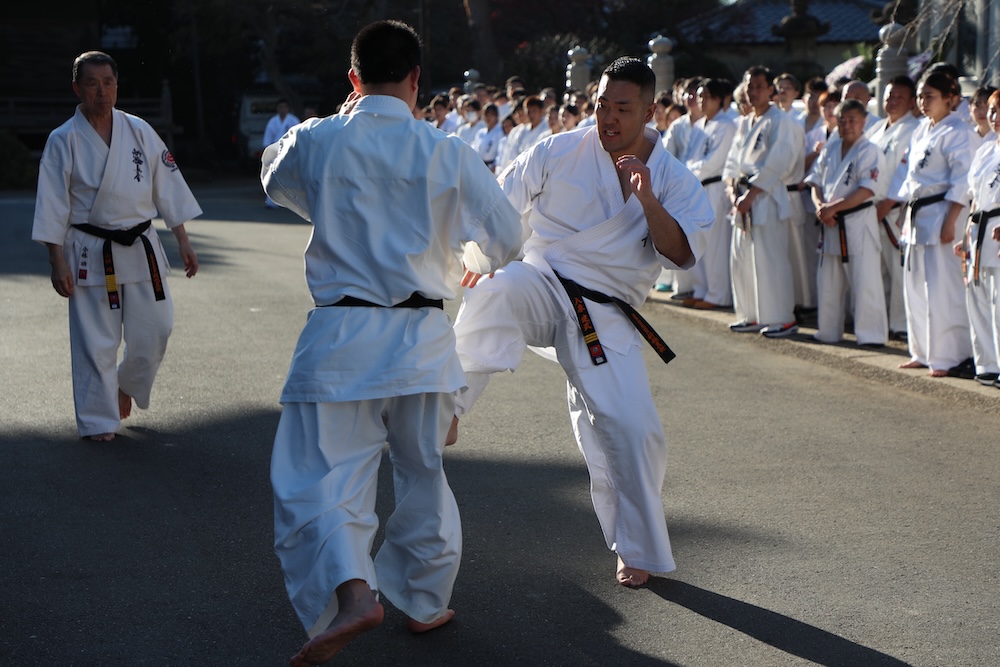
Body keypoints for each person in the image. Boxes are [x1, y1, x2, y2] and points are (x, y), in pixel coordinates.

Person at [261, 21, 521, 666]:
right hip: (422, 338)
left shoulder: (316, 139)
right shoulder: (448, 150)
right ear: (416, 80)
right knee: (422, 472)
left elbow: (275, 181)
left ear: (353, 78)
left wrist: (337, 146)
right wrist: (470, 252)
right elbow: (508, 241)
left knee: (320, 478)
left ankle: (355, 593)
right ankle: (427, 602)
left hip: (341, 335)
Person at [448, 57, 715, 588]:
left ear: (650, 110)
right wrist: (479, 260)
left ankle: (634, 546)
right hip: (545, 284)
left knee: (630, 429)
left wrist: (646, 198)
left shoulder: (671, 176)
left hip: (608, 312)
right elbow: (499, 206)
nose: (608, 118)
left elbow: (682, 252)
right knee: (495, 291)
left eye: (622, 108)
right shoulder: (558, 149)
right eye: (601, 106)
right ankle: (445, 406)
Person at [31, 50, 200, 442]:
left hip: (140, 246)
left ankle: (125, 384)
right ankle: (98, 420)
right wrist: (57, 261)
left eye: (108, 83)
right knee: (96, 340)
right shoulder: (63, 140)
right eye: (92, 83)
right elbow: (52, 204)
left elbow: (167, 184)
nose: (101, 92)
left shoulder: (139, 130)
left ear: (117, 86)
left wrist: (183, 239)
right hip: (91, 249)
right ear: (77, 88)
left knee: (157, 328)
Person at [895, 69, 974, 376]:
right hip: (917, 215)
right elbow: (911, 179)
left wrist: (952, 220)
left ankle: (948, 356)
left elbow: (961, 181)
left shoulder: (958, 131)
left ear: (951, 99)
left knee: (942, 290)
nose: (923, 102)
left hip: (943, 213)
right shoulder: (921, 129)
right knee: (915, 287)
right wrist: (904, 212)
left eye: (930, 96)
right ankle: (922, 351)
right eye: (921, 96)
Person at [723, 65, 804, 338]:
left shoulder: (780, 121)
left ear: (771, 90)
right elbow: (732, 163)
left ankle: (782, 317)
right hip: (742, 198)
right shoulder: (745, 122)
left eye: (759, 86)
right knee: (742, 258)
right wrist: (734, 193)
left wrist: (751, 195)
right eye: (749, 86)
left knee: (770, 259)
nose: (753, 91)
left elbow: (777, 163)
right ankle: (752, 314)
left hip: (766, 197)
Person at [805, 99, 888, 346]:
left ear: (864, 122)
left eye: (852, 120)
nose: (847, 124)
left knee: (865, 283)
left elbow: (867, 190)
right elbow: (815, 181)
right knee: (828, 281)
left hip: (856, 221)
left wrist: (833, 208)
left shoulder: (869, 150)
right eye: (842, 119)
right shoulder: (831, 147)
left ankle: (870, 335)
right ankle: (828, 331)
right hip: (830, 223)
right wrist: (821, 206)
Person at [867, 75, 920, 339]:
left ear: (913, 101)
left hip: (894, 209)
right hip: (869, 207)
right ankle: (883, 319)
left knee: (898, 269)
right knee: (877, 269)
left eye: (899, 97)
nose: (893, 101)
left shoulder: (914, 129)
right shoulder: (876, 129)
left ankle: (900, 324)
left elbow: (905, 173)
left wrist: (886, 204)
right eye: (889, 96)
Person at [956, 89, 1000, 387]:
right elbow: (974, 199)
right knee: (978, 296)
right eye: (993, 111)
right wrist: (964, 235)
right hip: (979, 229)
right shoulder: (986, 150)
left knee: (999, 299)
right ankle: (987, 363)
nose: (995, 118)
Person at [681, 78, 737, 309]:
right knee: (697, 240)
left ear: (719, 99)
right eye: (699, 96)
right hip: (695, 188)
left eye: (706, 97)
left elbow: (713, 162)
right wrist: (684, 173)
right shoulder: (699, 126)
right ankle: (701, 289)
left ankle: (717, 294)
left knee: (715, 244)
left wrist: (688, 172)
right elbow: (688, 157)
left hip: (714, 186)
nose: (700, 101)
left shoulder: (727, 125)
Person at [263, 99, 301, 208]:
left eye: (284, 107)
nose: (282, 109)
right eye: (280, 107)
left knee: (291, 179)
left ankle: (292, 204)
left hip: (290, 153)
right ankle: (271, 202)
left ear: (288, 108)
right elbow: (267, 139)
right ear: (277, 108)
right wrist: (267, 154)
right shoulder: (273, 122)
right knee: (273, 178)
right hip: (275, 154)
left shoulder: (294, 120)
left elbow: (298, 138)